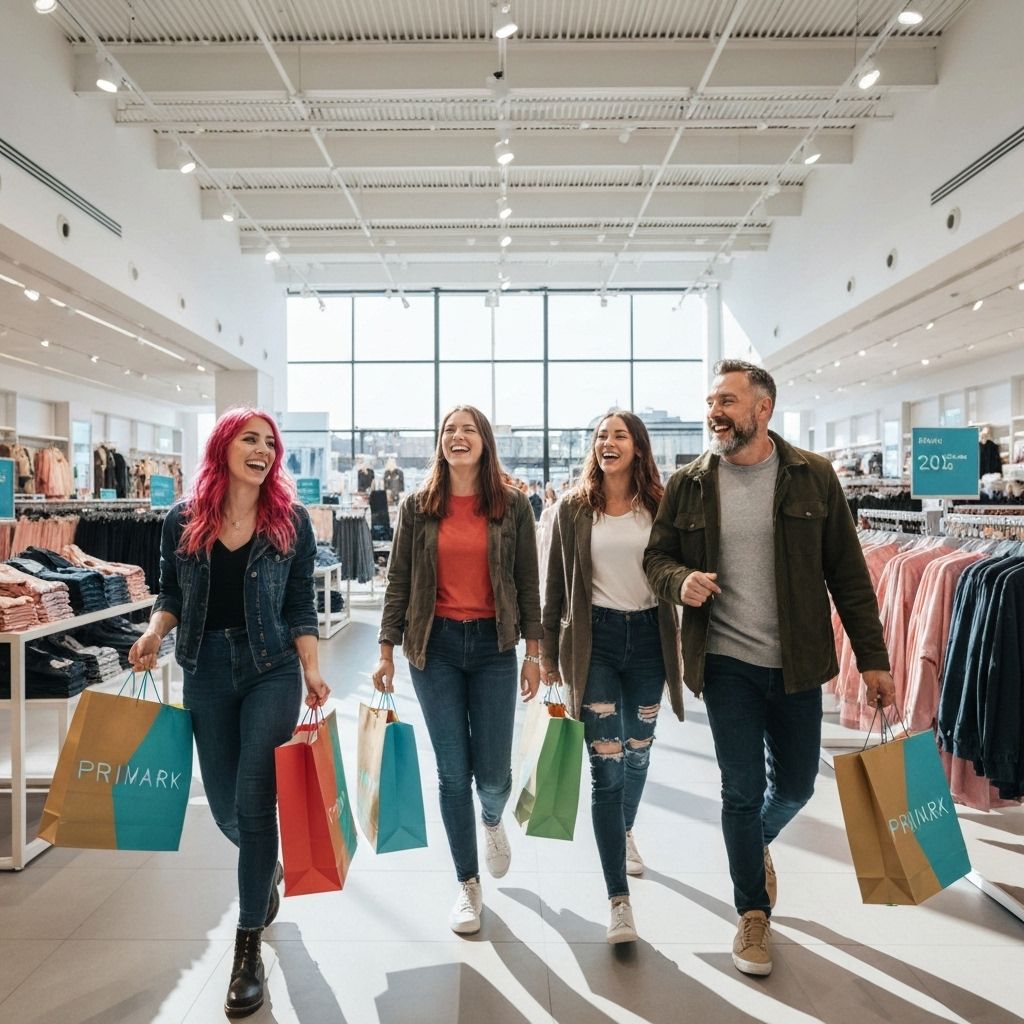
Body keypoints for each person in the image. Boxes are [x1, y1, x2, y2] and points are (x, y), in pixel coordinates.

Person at [643, 360, 895, 978]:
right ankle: (752, 914)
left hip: (797, 663)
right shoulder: (690, 482)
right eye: (710, 401)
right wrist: (681, 581)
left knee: (797, 786)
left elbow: (849, 575)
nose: (714, 411)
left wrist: (875, 660)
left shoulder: (814, 477)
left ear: (763, 409)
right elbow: (656, 557)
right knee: (740, 789)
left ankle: (752, 850)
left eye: (726, 400)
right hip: (725, 662)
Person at [129, 408, 328, 1019]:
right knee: (221, 806)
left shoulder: (290, 520)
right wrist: (155, 630)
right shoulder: (180, 519)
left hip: (271, 669)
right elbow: (171, 591)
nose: (263, 450)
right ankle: (262, 867)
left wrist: (313, 669)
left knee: (250, 799)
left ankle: (247, 950)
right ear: (223, 445)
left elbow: (299, 604)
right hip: (206, 669)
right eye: (251, 439)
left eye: (271, 443)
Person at [372, 405, 543, 935]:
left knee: (492, 775)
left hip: (494, 647)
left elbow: (527, 583)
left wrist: (534, 654)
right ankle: (467, 884)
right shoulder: (418, 506)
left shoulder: (512, 505)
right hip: (435, 648)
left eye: (468, 429)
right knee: (451, 771)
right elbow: (399, 579)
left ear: (485, 442)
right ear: (440, 443)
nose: (458, 436)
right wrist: (385, 649)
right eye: (449, 430)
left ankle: (492, 818)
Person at [541, 411, 683, 944]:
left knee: (638, 749)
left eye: (619, 435)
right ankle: (617, 899)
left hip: (649, 639)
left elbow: (680, 569)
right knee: (606, 765)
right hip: (593, 641)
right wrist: (549, 657)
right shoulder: (573, 509)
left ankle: (623, 830)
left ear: (638, 447)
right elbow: (555, 585)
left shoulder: (660, 506)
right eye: (600, 435)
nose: (608, 442)